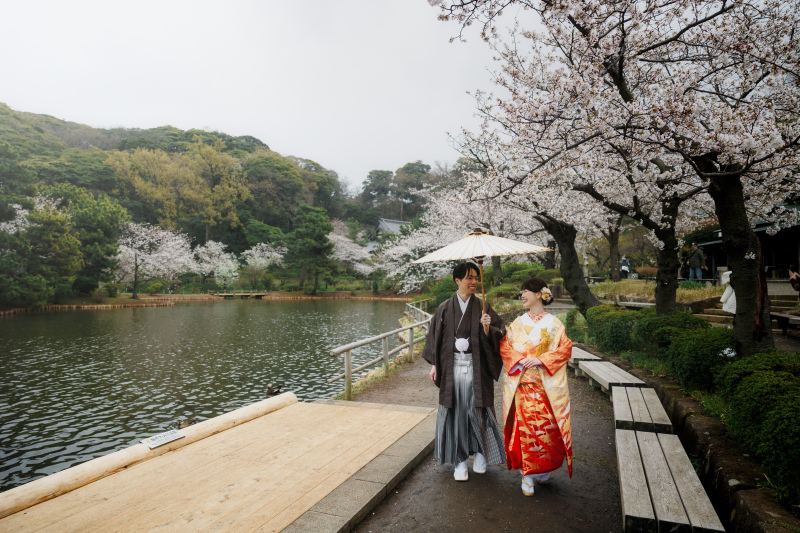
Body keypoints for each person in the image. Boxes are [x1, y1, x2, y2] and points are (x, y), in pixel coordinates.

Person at [422, 262, 506, 481]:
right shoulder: (444, 308)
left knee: (479, 411)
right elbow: (436, 339)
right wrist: (434, 364)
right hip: (452, 368)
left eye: (476, 278)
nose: (474, 282)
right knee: (457, 413)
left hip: (477, 368)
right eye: (469, 278)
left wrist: (489, 328)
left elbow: (500, 333)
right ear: (457, 280)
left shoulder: (484, 308)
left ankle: (481, 454)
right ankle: (459, 462)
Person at [499, 277, 573, 496]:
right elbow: (505, 347)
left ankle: (543, 469)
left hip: (546, 388)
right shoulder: (517, 323)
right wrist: (520, 360)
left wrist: (542, 360)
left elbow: (565, 350)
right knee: (527, 431)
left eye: (525, 291)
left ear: (539, 294)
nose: (522, 296)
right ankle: (527, 474)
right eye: (521, 292)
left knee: (549, 430)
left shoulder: (555, 324)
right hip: (524, 387)